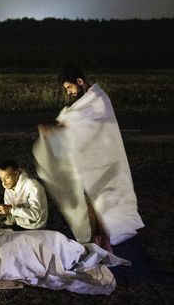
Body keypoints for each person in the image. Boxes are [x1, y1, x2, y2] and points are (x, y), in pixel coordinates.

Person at [33, 65, 144, 249]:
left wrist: (57, 129)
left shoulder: (97, 99)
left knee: (104, 206)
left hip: (104, 163)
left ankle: (106, 244)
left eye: (70, 88)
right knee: (92, 204)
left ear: (80, 81)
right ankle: (96, 241)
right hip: (90, 165)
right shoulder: (81, 105)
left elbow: (82, 124)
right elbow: (74, 124)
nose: (69, 92)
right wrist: (56, 132)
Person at [0, 226, 128, 295]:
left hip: (52, 249)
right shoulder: (1, 236)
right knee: (79, 252)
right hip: (55, 238)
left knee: (64, 266)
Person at [0, 159, 48, 234]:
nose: (4, 182)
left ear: (16, 174)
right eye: (1, 179)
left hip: (34, 226)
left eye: (7, 177)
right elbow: (10, 214)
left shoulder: (32, 186)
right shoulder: (8, 188)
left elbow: (35, 215)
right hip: (18, 221)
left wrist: (10, 210)